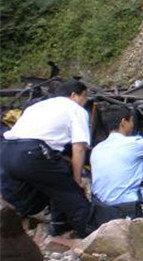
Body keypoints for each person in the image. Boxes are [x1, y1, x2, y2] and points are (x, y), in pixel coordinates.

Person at [0, 79, 92, 238]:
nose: (85, 102)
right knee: (72, 195)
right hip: (32, 153)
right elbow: (79, 147)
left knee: (41, 188)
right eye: (84, 97)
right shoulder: (75, 109)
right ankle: (91, 235)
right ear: (73, 95)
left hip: (7, 151)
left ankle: (57, 226)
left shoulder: (37, 106)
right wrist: (77, 181)